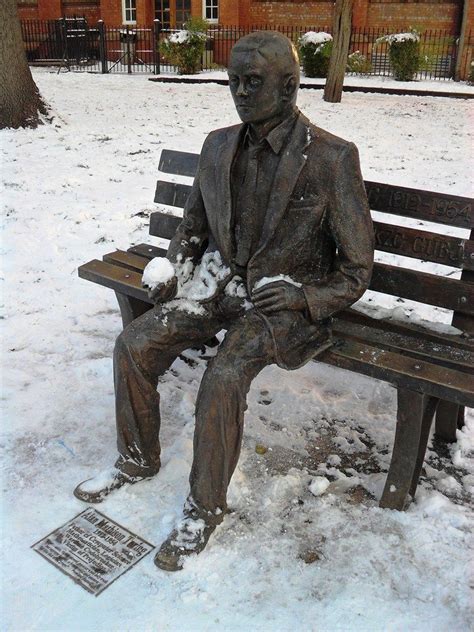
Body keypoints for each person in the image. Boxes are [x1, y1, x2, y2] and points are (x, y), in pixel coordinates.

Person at [74, 31, 374, 571]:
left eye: (252, 82)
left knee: (223, 376)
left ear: (289, 87)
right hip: (215, 287)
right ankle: (137, 459)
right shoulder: (217, 144)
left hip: (277, 305)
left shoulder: (332, 158)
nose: (238, 91)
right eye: (233, 80)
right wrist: (176, 272)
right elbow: (191, 228)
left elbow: (356, 270)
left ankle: (203, 506)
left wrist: (306, 295)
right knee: (134, 343)